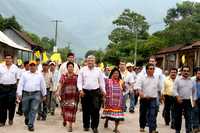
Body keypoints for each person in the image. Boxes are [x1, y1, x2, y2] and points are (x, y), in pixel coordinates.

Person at [77, 55, 106, 133]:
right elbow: (79, 82)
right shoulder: (82, 70)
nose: (90, 62)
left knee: (96, 110)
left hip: (95, 92)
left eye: (92, 60)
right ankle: (86, 125)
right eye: (89, 60)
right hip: (85, 92)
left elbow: (101, 82)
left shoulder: (98, 70)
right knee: (86, 110)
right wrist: (80, 90)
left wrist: (104, 91)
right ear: (86, 61)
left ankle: (94, 127)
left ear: (94, 61)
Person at [16, 60, 46, 131]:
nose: (32, 67)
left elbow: (43, 85)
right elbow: (20, 84)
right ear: (29, 66)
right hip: (26, 94)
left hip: (36, 94)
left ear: (36, 67)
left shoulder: (39, 75)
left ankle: (30, 125)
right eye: (31, 65)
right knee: (25, 109)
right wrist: (19, 93)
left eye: (34, 65)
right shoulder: (24, 74)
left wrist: (44, 94)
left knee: (34, 109)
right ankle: (27, 118)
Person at [135, 63, 162, 133]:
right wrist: (141, 93)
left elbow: (159, 88)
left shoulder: (156, 78)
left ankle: (152, 129)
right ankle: (142, 126)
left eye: (153, 69)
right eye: (150, 69)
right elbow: (138, 87)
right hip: (144, 99)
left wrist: (161, 96)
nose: (152, 70)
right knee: (143, 114)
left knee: (152, 114)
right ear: (147, 70)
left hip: (153, 99)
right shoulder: (142, 77)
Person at [55, 62, 79, 132]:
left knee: (72, 110)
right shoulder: (63, 76)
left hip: (74, 96)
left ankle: (70, 126)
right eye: (69, 67)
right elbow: (60, 83)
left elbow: (79, 85)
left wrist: (80, 92)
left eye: (71, 67)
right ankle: (65, 119)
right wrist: (58, 91)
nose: (70, 68)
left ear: (73, 68)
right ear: (67, 68)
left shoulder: (76, 76)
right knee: (64, 110)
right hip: (65, 96)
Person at [174, 66, 196, 133]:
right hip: (179, 100)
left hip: (188, 101)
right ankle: (177, 130)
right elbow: (174, 90)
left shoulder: (192, 81)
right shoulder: (177, 80)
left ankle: (188, 130)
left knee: (189, 117)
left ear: (189, 72)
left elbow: (194, 91)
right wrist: (177, 97)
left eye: (187, 71)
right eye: (184, 71)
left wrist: (194, 100)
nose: (186, 72)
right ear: (182, 71)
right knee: (178, 117)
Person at [102, 68, 125, 133]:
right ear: (112, 74)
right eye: (114, 73)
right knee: (108, 113)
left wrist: (124, 86)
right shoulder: (108, 81)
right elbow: (104, 88)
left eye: (117, 73)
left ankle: (115, 128)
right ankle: (106, 121)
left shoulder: (121, 81)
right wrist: (103, 97)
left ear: (119, 74)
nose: (116, 74)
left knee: (117, 116)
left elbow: (124, 89)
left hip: (118, 101)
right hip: (110, 101)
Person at [0, 54, 20, 127]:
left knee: (11, 104)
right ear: (4, 59)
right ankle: (2, 121)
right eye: (6, 58)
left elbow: (17, 79)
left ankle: (11, 118)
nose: (8, 60)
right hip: (2, 88)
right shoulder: (1, 66)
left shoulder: (15, 68)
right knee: (2, 105)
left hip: (12, 88)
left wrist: (17, 89)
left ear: (12, 59)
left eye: (9, 58)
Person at [192, 68, 200, 132]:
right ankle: (195, 127)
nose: (199, 75)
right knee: (195, 112)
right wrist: (192, 100)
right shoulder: (192, 80)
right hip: (194, 99)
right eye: (198, 73)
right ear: (196, 74)